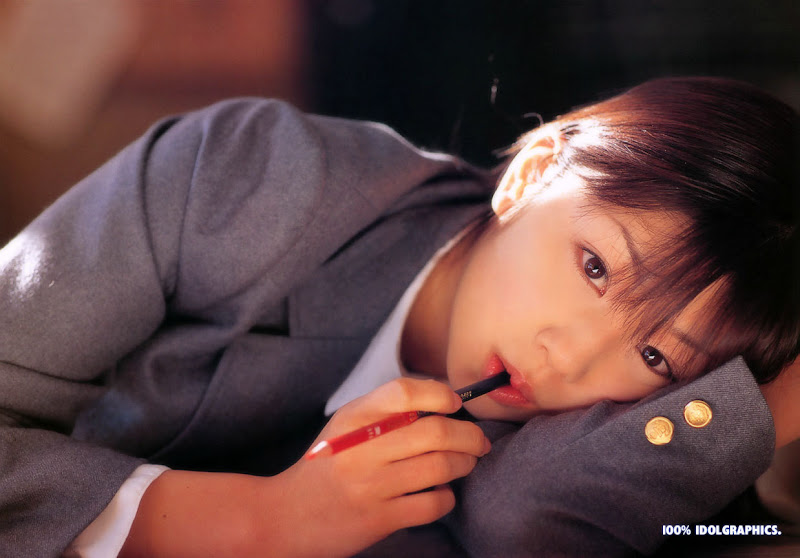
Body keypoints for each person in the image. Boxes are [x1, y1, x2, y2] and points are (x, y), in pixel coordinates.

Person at [0, 77, 796, 557]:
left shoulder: (575, 454)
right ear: (533, 174)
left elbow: (525, 529)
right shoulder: (252, 180)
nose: (569, 360)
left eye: (657, 358)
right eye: (595, 267)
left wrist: (769, 407)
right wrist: (257, 525)